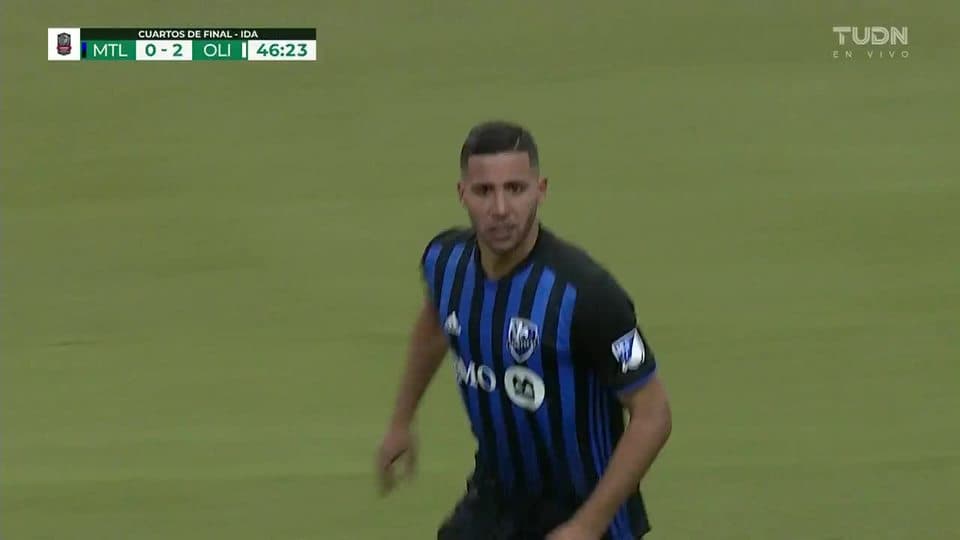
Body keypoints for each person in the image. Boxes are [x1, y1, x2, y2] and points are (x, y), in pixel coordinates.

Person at [376, 120, 672, 539]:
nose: (500, 209)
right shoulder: (446, 263)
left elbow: (653, 413)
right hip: (495, 501)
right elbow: (434, 324)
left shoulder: (586, 294)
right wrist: (401, 421)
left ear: (541, 190)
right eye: (484, 191)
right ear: (462, 194)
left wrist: (586, 525)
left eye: (515, 189)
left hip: (585, 511)